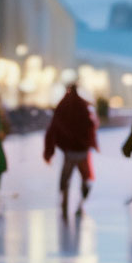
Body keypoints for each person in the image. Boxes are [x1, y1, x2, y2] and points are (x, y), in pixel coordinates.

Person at [43, 82, 99, 219]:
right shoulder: (83, 105)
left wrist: (49, 151)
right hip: (82, 150)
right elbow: (90, 125)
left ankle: (64, 204)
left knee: (65, 178)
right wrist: (90, 143)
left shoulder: (63, 106)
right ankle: (80, 203)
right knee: (84, 177)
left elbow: (54, 127)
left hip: (69, 150)